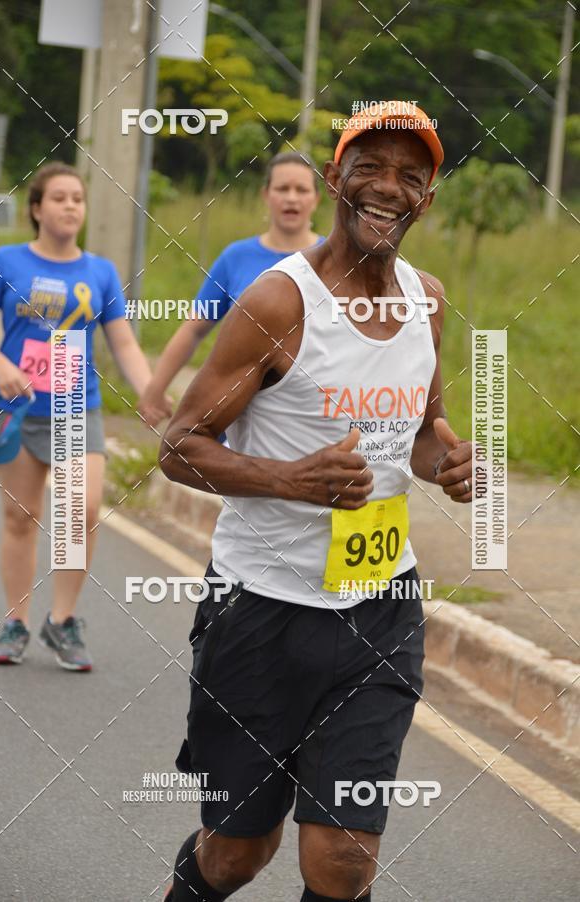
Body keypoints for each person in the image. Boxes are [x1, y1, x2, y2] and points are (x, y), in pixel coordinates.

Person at [159, 103, 472, 902]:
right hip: (259, 609)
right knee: (237, 854)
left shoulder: (428, 302)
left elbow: (421, 434)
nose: (388, 187)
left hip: (380, 607)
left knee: (343, 861)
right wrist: (288, 479)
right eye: (369, 167)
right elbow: (180, 445)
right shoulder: (278, 303)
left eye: (410, 175)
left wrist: (449, 463)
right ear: (336, 178)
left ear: (428, 197)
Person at [0, 161, 164, 671]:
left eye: (77, 199)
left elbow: (123, 343)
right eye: (59, 198)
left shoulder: (100, 272)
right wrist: (0, 365)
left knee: (80, 511)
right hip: (15, 410)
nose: (70, 206)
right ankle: (16, 622)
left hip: (74, 410)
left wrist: (150, 391)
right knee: (20, 517)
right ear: (37, 208)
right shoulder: (6, 261)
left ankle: (62, 621)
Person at [138, 151, 323, 426]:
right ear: (266, 195)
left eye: (301, 190)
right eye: (282, 188)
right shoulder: (235, 258)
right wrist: (155, 390)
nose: (292, 198)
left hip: (311, 414)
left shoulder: (334, 259)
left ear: (316, 199)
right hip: (238, 416)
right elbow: (193, 329)